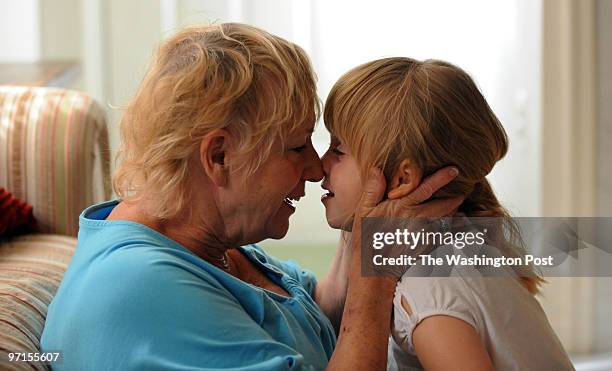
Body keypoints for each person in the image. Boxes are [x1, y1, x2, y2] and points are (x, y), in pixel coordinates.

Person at [41, 24, 460, 370]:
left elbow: (311, 316)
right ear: (218, 156)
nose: (316, 169)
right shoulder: (140, 288)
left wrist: (363, 213)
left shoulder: (208, 242)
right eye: (297, 148)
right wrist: (377, 270)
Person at [320, 57, 575, 370]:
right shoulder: (461, 247)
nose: (321, 163)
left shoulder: (428, 292)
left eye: (337, 150)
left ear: (402, 180)